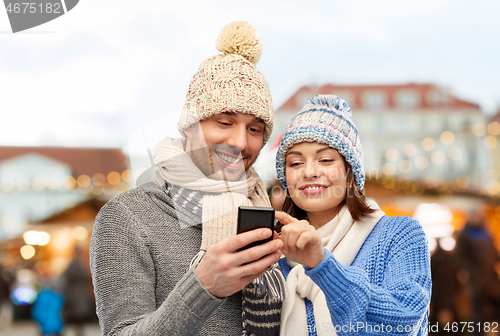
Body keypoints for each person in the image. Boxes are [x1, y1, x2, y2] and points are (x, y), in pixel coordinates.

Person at [90, 21, 284, 336]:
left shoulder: (265, 214)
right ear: (189, 126)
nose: (240, 142)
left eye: (254, 129)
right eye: (224, 122)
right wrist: (203, 287)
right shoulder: (126, 217)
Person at [273, 95, 432, 335]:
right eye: (295, 163)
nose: (309, 172)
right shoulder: (277, 252)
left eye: (325, 159)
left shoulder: (399, 233)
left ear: (350, 172)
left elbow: (404, 321)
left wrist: (322, 266)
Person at [454, 210, 500, 335]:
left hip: (492, 279)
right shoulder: (464, 235)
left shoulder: (486, 233)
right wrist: (475, 273)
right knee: (478, 314)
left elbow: (494, 254)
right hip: (477, 281)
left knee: (495, 310)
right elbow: (459, 259)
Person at [62, 246, 96, 336]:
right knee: (77, 319)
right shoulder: (79, 265)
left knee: (77, 320)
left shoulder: (75, 265)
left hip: (76, 296)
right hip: (77, 296)